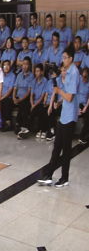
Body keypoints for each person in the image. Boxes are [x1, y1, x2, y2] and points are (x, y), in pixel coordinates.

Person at [38, 52, 80, 188]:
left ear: (71, 59)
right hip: (64, 115)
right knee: (57, 147)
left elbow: (70, 97)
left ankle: (64, 177)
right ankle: (49, 174)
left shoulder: (74, 73)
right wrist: (59, 102)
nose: (63, 60)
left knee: (66, 149)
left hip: (70, 116)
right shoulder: (69, 72)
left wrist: (59, 91)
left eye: (65, 58)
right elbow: (65, 94)